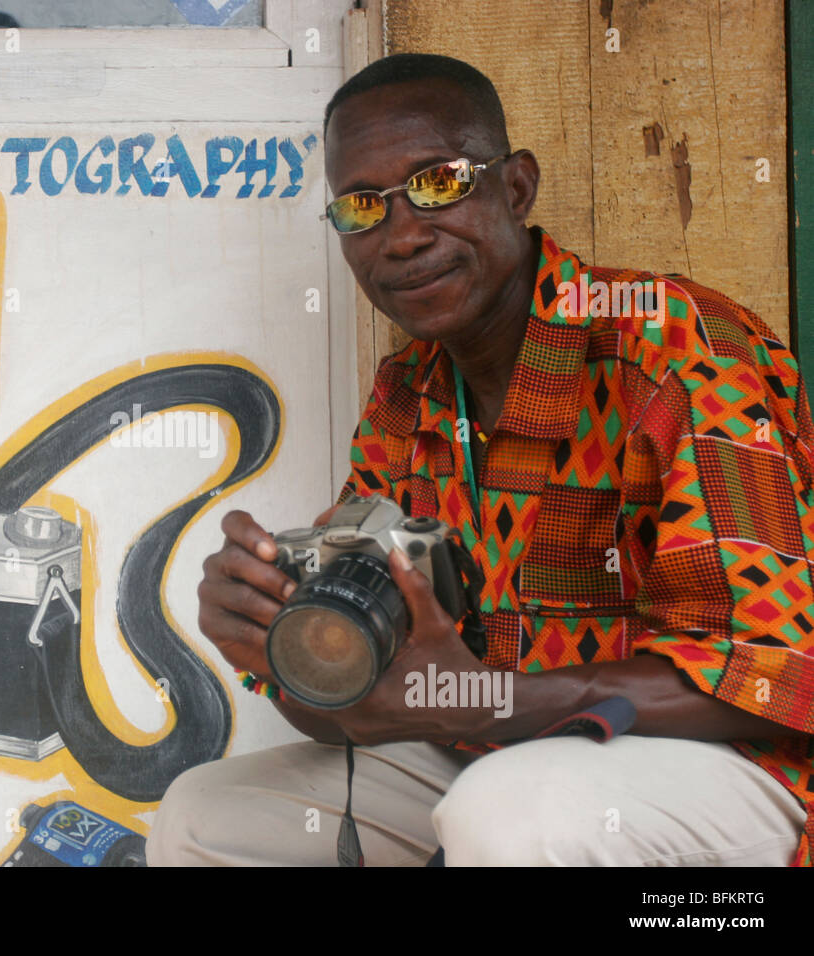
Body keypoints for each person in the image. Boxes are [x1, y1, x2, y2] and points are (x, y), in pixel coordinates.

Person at [145, 53, 814, 866]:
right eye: (362, 208)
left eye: (438, 183)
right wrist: (281, 644)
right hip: (493, 751)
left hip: (737, 775)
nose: (404, 235)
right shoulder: (406, 395)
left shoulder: (676, 348)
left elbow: (775, 683)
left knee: (505, 815)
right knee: (205, 817)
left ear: (516, 187)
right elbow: (371, 712)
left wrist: (479, 701)